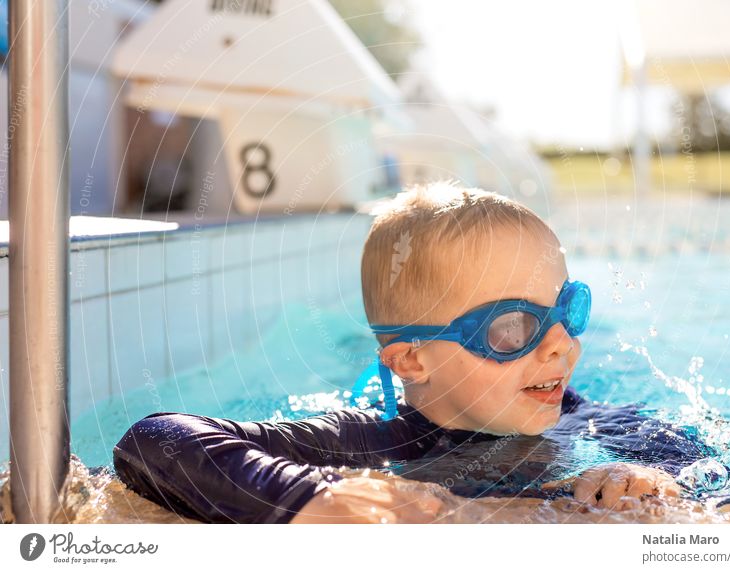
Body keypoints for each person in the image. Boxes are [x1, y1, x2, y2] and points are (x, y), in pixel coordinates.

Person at [113, 182, 697, 524]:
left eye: (568, 310)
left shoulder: (577, 416)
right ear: (412, 361)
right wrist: (312, 496)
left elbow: (690, 452)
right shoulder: (374, 440)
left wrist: (642, 474)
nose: (561, 344)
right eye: (514, 326)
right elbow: (155, 440)